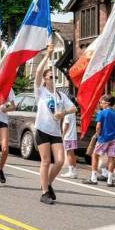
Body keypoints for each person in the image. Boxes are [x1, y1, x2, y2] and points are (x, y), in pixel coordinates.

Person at [35, 44, 77, 205]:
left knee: (59, 161)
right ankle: (44, 192)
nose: (53, 78)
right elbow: (38, 72)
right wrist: (47, 55)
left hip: (55, 132)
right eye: (50, 76)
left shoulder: (60, 95)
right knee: (45, 161)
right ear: (45, 80)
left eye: (54, 76)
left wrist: (63, 113)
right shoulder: (41, 92)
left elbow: (73, 108)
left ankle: (47, 183)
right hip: (42, 129)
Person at [88, 95, 115, 187]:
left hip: (103, 138)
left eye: (101, 102)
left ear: (107, 103)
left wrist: (98, 135)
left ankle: (93, 178)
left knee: (94, 155)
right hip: (113, 139)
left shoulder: (101, 113)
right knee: (112, 158)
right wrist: (114, 133)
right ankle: (110, 181)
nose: (100, 104)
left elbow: (98, 126)